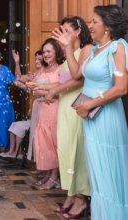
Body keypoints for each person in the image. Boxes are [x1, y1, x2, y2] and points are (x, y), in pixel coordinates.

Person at [73, 5, 128, 219]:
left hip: (106, 119)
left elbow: (121, 87)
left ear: (107, 26)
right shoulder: (95, 50)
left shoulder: (118, 48)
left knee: (107, 172)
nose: (91, 26)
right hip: (90, 119)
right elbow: (80, 77)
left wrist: (90, 104)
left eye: (95, 22)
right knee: (96, 173)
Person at [43, 16, 93, 218]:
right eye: (60, 30)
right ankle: (71, 194)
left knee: (77, 151)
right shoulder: (69, 53)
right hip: (64, 107)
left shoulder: (87, 50)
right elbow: (65, 82)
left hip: (76, 108)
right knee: (65, 151)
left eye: (65, 30)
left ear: (78, 31)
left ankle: (81, 198)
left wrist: (67, 48)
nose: (61, 34)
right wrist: (45, 88)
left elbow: (77, 79)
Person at [27, 38, 64, 190]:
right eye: (44, 52)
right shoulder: (42, 70)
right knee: (44, 144)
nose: (46, 55)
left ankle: (55, 178)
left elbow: (62, 88)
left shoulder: (61, 69)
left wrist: (44, 90)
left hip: (54, 108)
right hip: (42, 108)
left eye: (49, 51)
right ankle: (48, 175)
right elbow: (35, 91)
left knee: (53, 143)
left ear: (56, 51)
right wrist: (36, 90)